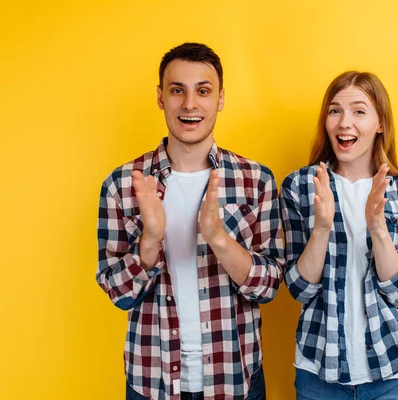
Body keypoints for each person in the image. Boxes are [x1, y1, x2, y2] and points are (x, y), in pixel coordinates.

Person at [96, 42, 284, 400]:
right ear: (160, 97)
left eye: (203, 90)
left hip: (235, 377)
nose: (190, 104)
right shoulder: (122, 184)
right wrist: (149, 241)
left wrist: (218, 238)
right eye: (177, 90)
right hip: (152, 380)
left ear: (221, 98)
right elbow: (118, 294)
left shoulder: (255, 180)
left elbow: (270, 286)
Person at [280, 71, 398, 400]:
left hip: (393, 374)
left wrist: (377, 227)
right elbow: (299, 289)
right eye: (335, 111)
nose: (344, 122)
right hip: (318, 372)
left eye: (359, 111)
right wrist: (320, 228)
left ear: (380, 123)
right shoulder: (300, 186)